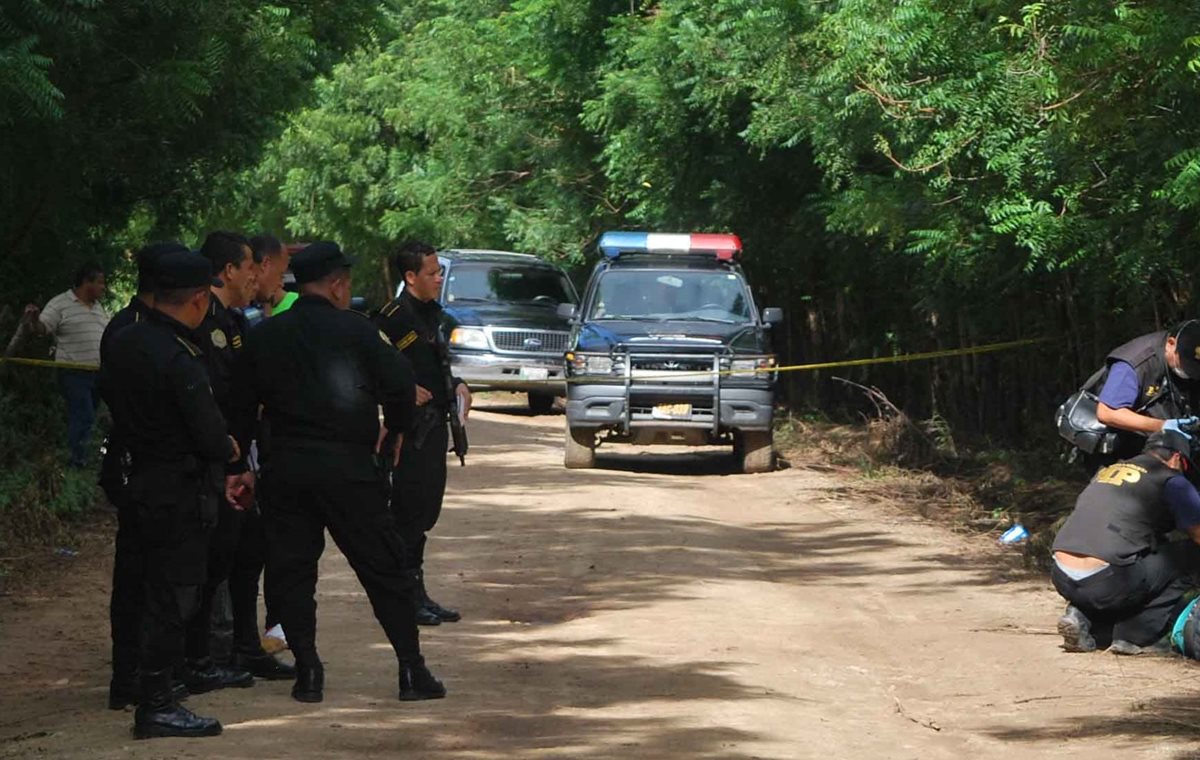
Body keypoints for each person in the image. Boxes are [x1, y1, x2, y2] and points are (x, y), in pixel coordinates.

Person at [232, 241, 445, 703]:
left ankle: (308, 672)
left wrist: (240, 467)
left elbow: (240, 407)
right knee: (383, 568)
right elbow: (400, 385)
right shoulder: (358, 331)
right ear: (336, 285)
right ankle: (411, 670)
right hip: (349, 470)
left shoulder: (265, 335)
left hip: (285, 469)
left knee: (291, 573)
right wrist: (397, 432)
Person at [98, 250, 239, 738]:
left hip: (136, 479)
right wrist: (226, 446)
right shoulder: (180, 355)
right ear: (199, 299)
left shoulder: (124, 338)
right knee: (174, 594)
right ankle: (157, 700)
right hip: (176, 488)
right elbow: (208, 432)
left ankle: (131, 681)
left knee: (135, 585)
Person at [177, 231, 273, 691]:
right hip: (215, 463)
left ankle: (243, 644)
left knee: (247, 551)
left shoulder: (233, 322)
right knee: (207, 564)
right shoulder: (202, 322)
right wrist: (230, 460)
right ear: (228, 270)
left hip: (240, 458)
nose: (256, 273)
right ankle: (197, 657)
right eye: (250, 264)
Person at [99, 241, 189, 710]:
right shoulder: (133, 329)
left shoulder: (146, 328)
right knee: (142, 578)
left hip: (148, 464)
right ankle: (132, 675)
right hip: (141, 465)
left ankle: (143, 673)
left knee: (147, 576)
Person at [373, 240, 472, 626]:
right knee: (407, 516)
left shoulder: (434, 315)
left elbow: (433, 364)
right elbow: (369, 365)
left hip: (434, 428)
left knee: (425, 514)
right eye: (431, 272)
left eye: (439, 270)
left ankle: (418, 592)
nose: (438, 278)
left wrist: (458, 384)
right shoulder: (392, 317)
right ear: (410, 277)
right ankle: (402, 597)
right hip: (407, 431)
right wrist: (398, 390)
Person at [1051, 429, 1200, 655]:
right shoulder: (1171, 479)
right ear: (1177, 458)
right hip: (1107, 581)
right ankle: (1134, 636)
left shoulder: (1108, 471)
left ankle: (1084, 618)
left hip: (1061, 574)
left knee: (1131, 563)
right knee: (1190, 556)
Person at [22, 261, 110, 466]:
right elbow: (42, 329)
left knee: (88, 415)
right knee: (84, 414)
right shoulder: (60, 303)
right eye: (100, 283)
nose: (103, 287)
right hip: (73, 372)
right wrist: (33, 320)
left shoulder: (98, 307)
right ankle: (77, 461)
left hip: (96, 373)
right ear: (86, 282)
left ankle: (82, 455)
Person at [1088, 322, 1200, 467]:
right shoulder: (1136, 364)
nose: (1188, 372)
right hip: (1119, 449)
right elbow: (1107, 413)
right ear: (1171, 344)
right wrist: (1163, 425)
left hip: (1167, 450)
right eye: (1185, 364)